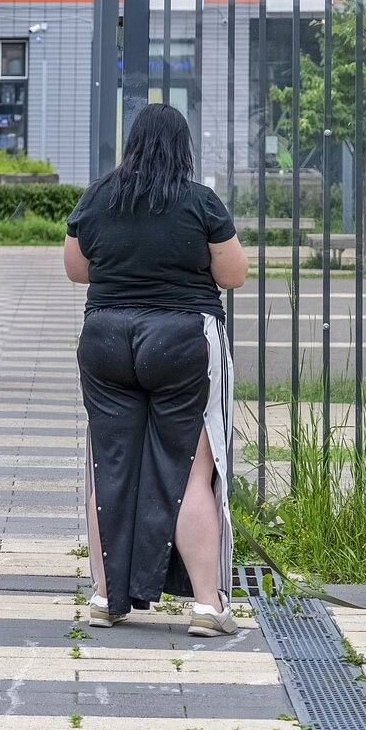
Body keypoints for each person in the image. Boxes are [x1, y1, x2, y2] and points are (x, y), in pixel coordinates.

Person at [64, 103, 249, 636]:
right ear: (183, 149)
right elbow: (233, 275)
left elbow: (76, 270)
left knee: (111, 468)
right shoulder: (199, 202)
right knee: (191, 473)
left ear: (132, 145)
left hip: (106, 341)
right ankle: (209, 607)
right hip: (182, 340)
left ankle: (104, 597)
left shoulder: (98, 196)